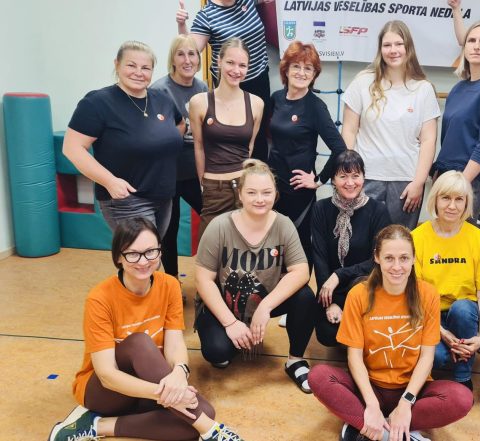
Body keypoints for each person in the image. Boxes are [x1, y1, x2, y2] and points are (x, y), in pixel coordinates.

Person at [48, 218, 243, 441]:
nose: (143, 261)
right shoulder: (100, 298)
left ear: (160, 251)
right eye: (133, 254)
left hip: (150, 383)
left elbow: (175, 344)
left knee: (201, 415)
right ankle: (212, 431)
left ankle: (97, 426)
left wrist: (180, 373)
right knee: (140, 342)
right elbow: (107, 375)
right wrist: (166, 394)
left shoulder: (169, 285)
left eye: (151, 252)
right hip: (105, 392)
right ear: (118, 257)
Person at [309, 225, 472, 441]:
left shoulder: (428, 294)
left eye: (404, 258)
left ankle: (366, 427)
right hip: (370, 387)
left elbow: (427, 356)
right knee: (318, 376)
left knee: (462, 398)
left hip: (411, 389)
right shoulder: (358, 294)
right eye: (389, 258)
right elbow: (354, 357)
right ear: (377, 258)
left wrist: (406, 402)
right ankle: (393, 432)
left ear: (414, 259)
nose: (397, 267)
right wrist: (371, 404)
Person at [194, 159, 317, 394]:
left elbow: (301, 271)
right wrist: (230, 323)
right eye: (251, 192)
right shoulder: (219, 226)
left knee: (305, 297)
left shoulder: (283, 224)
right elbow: (202, 279)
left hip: (263, 299)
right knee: (217, 353)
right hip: (225, 304)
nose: (260, 199)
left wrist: (266, 307)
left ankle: (296, 360)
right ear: (240, 194)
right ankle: (235, 333)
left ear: (275, 194)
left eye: (266, 192)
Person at [63, 41, 184, 238]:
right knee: (141, 252)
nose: (138, 72)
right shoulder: (97, 103)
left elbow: (179, 125)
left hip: (163, 196)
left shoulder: (162, 99)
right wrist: (109, 181)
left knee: (151, 252)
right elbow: (72, 148)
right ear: (117, 64)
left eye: (145, 68)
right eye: (131, 65)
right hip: (126, 199)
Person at [341, 20, 441, 229]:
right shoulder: (362, 82)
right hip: (366, 177)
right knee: (360, 240)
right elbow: (349, 130)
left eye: (398, 44)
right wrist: (350, 176)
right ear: (380, 49)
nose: (393, 50)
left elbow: (428, 140)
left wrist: (419, 182)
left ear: (408, 47)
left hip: (406, 181)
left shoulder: (423, 89)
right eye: (387, 45)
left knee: (399, 242)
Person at [412, 171, 480, 391]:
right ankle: (449, 353)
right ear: (435, 199)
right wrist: (442, 333)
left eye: (459, 199)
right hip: (429, 315)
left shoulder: (479, 239)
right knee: (438, 358)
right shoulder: (417, 238)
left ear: (466, 203)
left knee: (462, 308)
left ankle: (463, 376)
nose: (452, 206)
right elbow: (415, 296)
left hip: (465, 315)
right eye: (446, 198)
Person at [269, 41, 347, 266]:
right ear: (286, 69)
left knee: (299, 246)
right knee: (273, 245)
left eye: (308, 68)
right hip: (272, 188)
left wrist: (318, 180)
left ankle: (301, 287)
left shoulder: (315, 107)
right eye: (296, 66)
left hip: (298, 191)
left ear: (314, 75)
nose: (301, 73)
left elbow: (340, 149)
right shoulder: (276, 98)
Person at [311, 150, 391, 347]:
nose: (350, 182)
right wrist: (330, 302)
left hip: (366, 288)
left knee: (362, 322)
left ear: (363, 177)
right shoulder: (321, 209)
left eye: (356, 175)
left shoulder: (378, 210)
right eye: (343, 176)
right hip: (332, 289)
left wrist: (339, 275)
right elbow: (319, 257)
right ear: (333, 180)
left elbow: (379, 261)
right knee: (328, 334)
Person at [176, 0, 273, 161]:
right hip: (228, 85)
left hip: (258, 78)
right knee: (231, 136)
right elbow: (190, 51)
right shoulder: (207, 15)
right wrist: (182, 25)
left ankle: (257, 175)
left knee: (259, 135)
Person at [189, 37, 264, 238]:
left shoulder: (257, 104)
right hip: (214, 189)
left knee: (244, 248)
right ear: (219, 61)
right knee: (209, 249)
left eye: (242, 65)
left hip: (245, 188)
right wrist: (204, 185)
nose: (236, 70)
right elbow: (198, 147)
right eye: (230, 62)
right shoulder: (199, 102)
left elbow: (249, 147)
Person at [432, 20, 480, 219]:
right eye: (471, 41)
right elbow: (448, 138)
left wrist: (462, 183)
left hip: (469, 179)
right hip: (446, 175)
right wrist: (439, 174)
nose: (476, 46)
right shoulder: (458, 88)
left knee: (462, 236)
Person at [151, 34, 209, 290]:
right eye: (181, 54)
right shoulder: (159, 90)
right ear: (172, 60)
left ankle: (212, 278)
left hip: (195, 170)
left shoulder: (202, 88)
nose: (187, 60)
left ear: (198, 59)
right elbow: (153, 134)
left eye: (192, 54)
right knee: (169, 229)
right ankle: (172, 281)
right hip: (168, 173)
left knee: (213, 219)